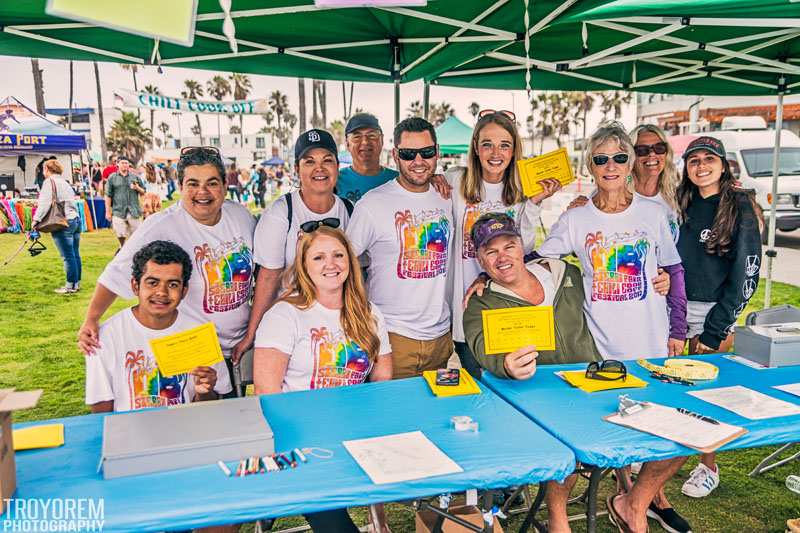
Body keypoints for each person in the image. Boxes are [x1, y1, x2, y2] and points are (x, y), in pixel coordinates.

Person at [535, 122, 691, 533]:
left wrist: (678, 330)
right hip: (599, 352)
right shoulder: (577, 218)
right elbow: (535, 259)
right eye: (601, 158)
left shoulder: (654, 213)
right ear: (591, 165)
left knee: (680, 433)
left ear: (630, 162)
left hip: (653, 345)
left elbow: (674, 270)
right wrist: (487, 277)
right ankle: (604, 505)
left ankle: (634, 503)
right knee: (598, 438)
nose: (611, 166)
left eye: (619, 157)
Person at [78, 146, 256, 390]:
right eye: (192, 183)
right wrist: (92, 319)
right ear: (180, 187)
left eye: (212, 183)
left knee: (235, 414)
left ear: (226, 186)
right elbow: (115, 274)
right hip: (193, 346)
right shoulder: (161, 225)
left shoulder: (241, 216)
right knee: (200, 416)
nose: (202, 192)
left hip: (241, 343)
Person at [253, 226, 392, 533]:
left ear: (350, 261)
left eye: (338, 255)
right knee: (325, 503)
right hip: (300, 436)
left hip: (353, 431)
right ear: (304, 267)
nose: (331, 264)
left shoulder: (369, 314)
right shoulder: (285, 315)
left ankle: (377, 523)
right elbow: (267, 392)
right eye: (319, 257)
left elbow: (382, 382)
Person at [443, 109, 561, 377]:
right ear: (475, 147)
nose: (496, 153)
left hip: (508, 307)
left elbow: (525, 249)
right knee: (478, 384)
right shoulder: (454, 181)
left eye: (504, 145)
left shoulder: (523, 187)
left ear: (513, 150)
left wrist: (533, 203)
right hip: (466, 310)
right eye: (487, 144)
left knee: (510, 383)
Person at [676, 136, 762, 500]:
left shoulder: (739, 203)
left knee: (706, 394)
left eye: (708, 159)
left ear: (724, 164)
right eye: (693, 160)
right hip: (674, 310)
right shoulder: (681, 201)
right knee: (673, 389)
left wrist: (716, 329)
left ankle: (707, 466)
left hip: (712, 313)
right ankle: (672, 456)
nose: (701, 166)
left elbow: (747, 273)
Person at [347, 117, 454, 379]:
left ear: (437, 152)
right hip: (392, 335)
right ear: (395, 155)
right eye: (408, 154)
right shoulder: (372, 204)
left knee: (434, 415)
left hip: (441, 337)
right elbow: (343, 262)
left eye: (427, 152)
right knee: (392, 416)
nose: (419, 161)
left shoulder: (449, 195)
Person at [235, 129, 354, 363]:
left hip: (339, 323)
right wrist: (252, 333)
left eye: (327, 160)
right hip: (293, 322)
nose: (319, 168)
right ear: (297, 169)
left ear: (337, 167)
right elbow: (268, 278)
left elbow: (359, 272)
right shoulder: (282, 213)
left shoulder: (350, 210)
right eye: (309, 161)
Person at [85, 240, 231, 413]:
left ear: (184, 291)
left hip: (187, 429)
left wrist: (204, 391)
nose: (162, 292)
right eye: (152, 283)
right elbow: (101, 409)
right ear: (135, 285)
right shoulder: (107, 336)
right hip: (129, 432)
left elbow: (208, 406)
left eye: (173, 284)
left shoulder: (199, 332)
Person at [32, 159, 82, 294]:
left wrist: (36, 220)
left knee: (67, 256)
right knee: (75, 254)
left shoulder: (49, 182)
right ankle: (76, 284)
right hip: (75, 220)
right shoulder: (65, 182)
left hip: (62, 222)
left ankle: (70, 286)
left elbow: (44, 203)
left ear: (47, 169)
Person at [337, 113, 399, 203]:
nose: (365, 142)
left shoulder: (399, 181)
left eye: (372, 135)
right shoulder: (335, 182)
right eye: (357, 137)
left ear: (381, 140)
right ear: (347, 144)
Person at [105, 156, 145, 248]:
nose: (125, 165)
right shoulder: (112, 178)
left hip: (133, 210)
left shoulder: (135, 177)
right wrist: (107, 211)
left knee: (137, 234)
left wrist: (137, 188)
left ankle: (134, 251)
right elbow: (108, 195)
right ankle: (122, 247)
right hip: (118, 210)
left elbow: (143, 191)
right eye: (122, 163)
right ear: (117, 164)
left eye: (126, 163)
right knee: (120, 233)